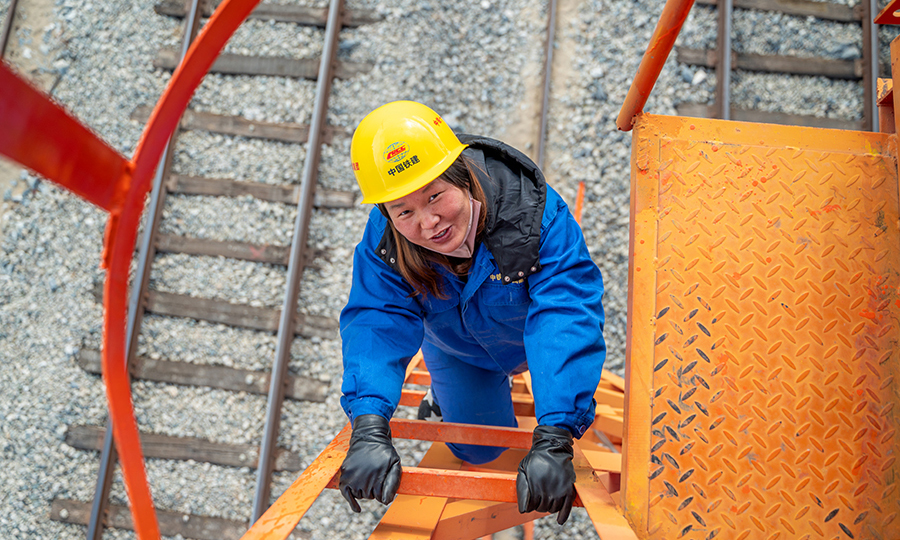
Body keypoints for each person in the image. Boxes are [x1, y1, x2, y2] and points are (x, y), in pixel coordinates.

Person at [337, 101, 606, 524]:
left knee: (556, 380)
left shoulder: (533, 216)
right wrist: (369, 423)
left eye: (435, 195)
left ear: (462, 176)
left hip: (529, 342)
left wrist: (557, 434)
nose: (429, 223)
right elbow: (377, 320)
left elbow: (564, 313)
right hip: (458, 350)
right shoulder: (385, 242)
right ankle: (446, 395)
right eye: (404, 211)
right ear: (385, 212)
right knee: (480, 449)